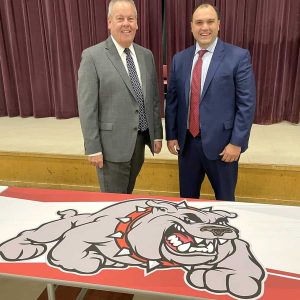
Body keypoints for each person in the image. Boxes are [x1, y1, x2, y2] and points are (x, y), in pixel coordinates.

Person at [165, 3, 256, 201]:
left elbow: (246, 104)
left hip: (224, 148)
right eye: (199, 22)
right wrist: (171, 135)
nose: (204, 27)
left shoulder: (238, 57)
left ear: (219, 25)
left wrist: (236, 143)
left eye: (210, 22)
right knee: (187, 203)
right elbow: (172, 101)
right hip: (187, 145)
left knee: (225, 203)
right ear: (191, 26)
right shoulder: (179, 59)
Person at [78, 0, 163, 194]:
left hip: (139, 142)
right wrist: (93, 147)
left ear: (137, 23)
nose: (126, 23)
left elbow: (153, 99)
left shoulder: (146, 55)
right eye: (120, 18)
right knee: (113, 202)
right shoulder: (92, 56)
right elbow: (87, 107)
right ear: (109, 22)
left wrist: (156, 134)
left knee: (127, 195)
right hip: (110, 148)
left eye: (131, 19)